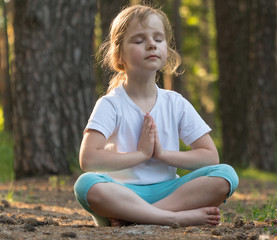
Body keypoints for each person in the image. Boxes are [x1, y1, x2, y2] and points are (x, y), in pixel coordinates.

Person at [74, 4, 239, 227]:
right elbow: (88, 160)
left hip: (169, 193)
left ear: (166, 50)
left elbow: (210, 157)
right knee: (86, 184)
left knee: (226, 175)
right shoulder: (110, 104)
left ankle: (136, 217)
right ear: (119, 54)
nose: (151, 44)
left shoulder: (176, 103)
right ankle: (172, 218)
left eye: (158, 39)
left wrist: (161, 154)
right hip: (122, 193)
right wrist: (141, 154)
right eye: (139, 40)